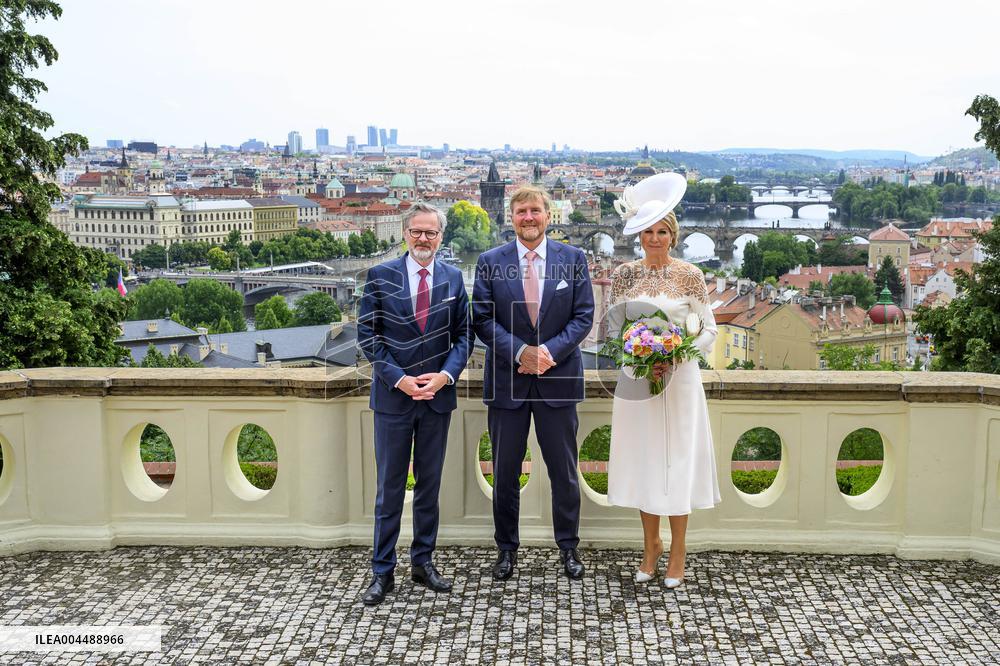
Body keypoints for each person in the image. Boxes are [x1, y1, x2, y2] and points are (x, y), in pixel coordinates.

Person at [472, 185, 595, 581]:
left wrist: (546, 354)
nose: (528, 217)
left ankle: (569, 547)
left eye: (535, 211)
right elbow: (482, 319)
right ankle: (506, 550)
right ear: (512, 217)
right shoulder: (490, 262)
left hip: (558, 379)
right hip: (507, 381)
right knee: (505, 472)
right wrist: (521, 352)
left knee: (564, 471)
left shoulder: (573, 259)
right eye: (521, 211)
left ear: (548, 215)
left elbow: (583, 316)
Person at [606, 173, 720, 589]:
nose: (655, 239)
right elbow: (614, 329)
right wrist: (640, 355)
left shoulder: (690, 275)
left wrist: (677, 354)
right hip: (638, 379)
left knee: (677, 461)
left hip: (680, 380)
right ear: (639, 236)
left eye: (662, 232)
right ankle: (650, 546)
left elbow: (709, 329)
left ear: (673, 235)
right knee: (646, 460)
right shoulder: (624, 275)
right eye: (648, 232)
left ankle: (678, 550)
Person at [356, 202, 472, 606]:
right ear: (405, 234)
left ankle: (423, 563)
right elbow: (369, 336)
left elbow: (464, 336)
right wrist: (400, 380)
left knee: (428, 488)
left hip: (437, 398)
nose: (424, 239)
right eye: (417, 232)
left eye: (431, 232)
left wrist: (445, 376)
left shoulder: (454, 278)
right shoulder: (379, 275)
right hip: (394, 398)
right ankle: (382, 571)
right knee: (389, 489)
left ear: (441, 237)